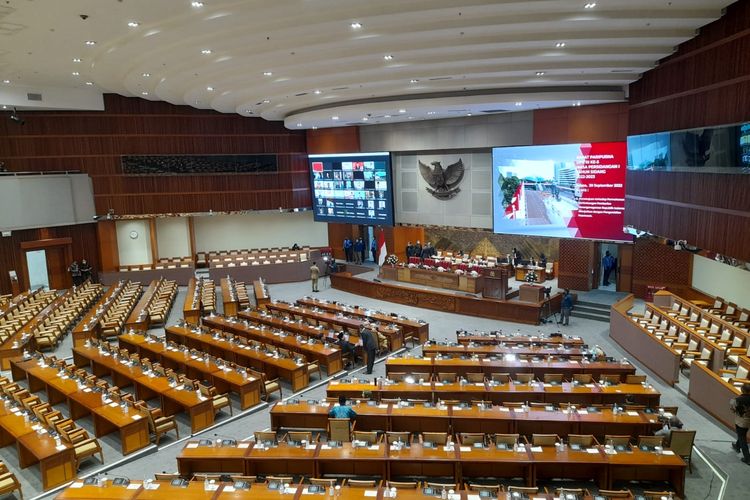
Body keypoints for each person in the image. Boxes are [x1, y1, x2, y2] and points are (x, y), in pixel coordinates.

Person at [731, 382, 750, 464]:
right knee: (742, 434)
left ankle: (747, 458)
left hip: (741, 421)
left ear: (742, 390)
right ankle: (737, 446)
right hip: (749, 421)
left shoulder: (738, 400)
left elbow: (732, 408)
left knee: (742, 438)